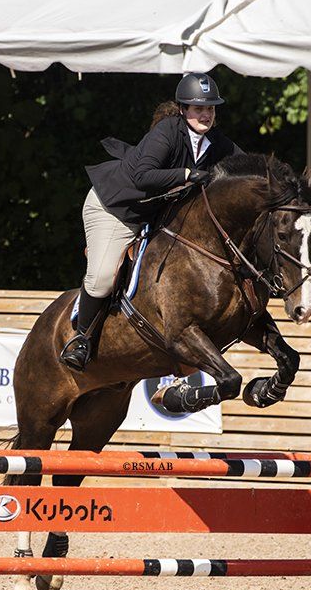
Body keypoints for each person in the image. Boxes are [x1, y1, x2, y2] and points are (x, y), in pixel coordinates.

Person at [59, 72, 243, 372]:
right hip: (115, 208)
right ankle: (81, 339)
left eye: (210, 108)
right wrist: (185, 174)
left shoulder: (215, 143)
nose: (206, 114)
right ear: (183, 109)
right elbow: (143, 176)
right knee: (105, 274)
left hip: (152, 213)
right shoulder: (168, 132)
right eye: (199, 108)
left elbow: (247, 167)